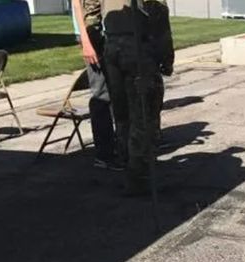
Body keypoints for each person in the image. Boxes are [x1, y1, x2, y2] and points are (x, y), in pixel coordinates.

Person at [101, 0, 173, 195]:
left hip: (111, 46)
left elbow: (91, 12)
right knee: (143, 114)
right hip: (137, 49)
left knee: (122, 115)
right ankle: (138, 176)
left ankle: (129, 168)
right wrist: (167, 59)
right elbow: (159, 15)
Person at [72, 0, 119, 170]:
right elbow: (77, 5)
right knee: (101, 95)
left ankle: (118, 146)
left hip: (110, 33)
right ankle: (104, 154)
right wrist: (86, 42)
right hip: (91, 35)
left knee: (116, 92)